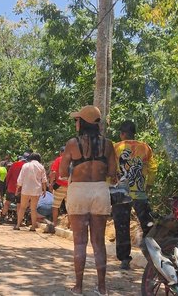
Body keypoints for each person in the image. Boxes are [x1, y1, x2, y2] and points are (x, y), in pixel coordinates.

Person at [60, 105, 116, 296]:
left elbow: (61, 171)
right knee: (98, 242)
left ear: (83, 122)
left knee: (80, 243)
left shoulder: (72, 144)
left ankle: (78, 286)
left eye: (77, 120)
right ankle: (102, 288)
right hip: (100, 190)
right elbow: (112, 173)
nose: (76, 122)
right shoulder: (108, 145)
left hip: (78, 192)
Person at [112, 120, 157, 270]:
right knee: (148, 226)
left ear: (122, 134)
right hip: (140, 193)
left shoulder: (116, 148)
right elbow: (152, 168)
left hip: (120, 194)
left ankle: (124, 260)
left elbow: (110, 169)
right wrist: (149, 185)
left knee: (122, 226)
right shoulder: (145, 147)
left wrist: (109, 186)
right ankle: (155, 258)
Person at [14, 153, 47, 231]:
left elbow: (20, 178)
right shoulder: (41, 167)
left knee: (22, 207)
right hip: (36, 190)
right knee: (33, 209)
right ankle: (32, 227)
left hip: (26, 189)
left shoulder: (25, 165)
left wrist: (17, 189)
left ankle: (18, 225)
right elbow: (44, 180)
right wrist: (44, 190)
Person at [0, 154, 28, 224]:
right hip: (20, 188)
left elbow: (8, 176)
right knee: (19, 204)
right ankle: (18, 220)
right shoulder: (26, 166)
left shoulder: (14, 165)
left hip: (11, 187)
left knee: (7, 203)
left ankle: (2, 218)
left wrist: (7, 185)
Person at [49, 146, 68, 228]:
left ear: (61, 152)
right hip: (70, 187)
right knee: (69, 207)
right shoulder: (72, 161)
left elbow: (53, 172)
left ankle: (55, 224)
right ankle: (70, 226)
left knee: (55, 206)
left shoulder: (58, 160)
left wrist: (51, 183)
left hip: (59, 186)